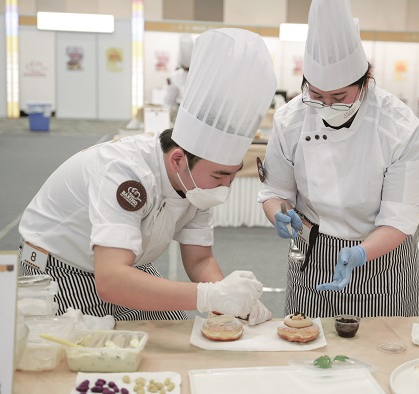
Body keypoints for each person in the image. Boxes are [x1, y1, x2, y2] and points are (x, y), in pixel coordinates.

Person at [18, 28, 277, 324]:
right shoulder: (126, 173)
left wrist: (230, 302)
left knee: (171, 334)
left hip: (129, 262)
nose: (225, 187)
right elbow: (112, 281)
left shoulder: (196, 185)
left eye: (232, 177)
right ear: (179, 159)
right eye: (219, 176)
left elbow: (200, 259)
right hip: (61, 265)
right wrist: (209, 296)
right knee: (96, 353)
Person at [258, 0, 419, 318]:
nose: (326, 105)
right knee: (306, 346)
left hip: (382, 258)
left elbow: (400, 217)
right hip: (313, 252)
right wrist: (279, 213)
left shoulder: (399, 126)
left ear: (365, 83)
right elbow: (275, 192)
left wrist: (361, 252)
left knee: (384, 352)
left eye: (339, 97)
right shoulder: (290, 120)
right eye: (317, 95)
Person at [164, 34, 193, 124]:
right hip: (181, 110)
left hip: (193, 112)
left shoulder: (199, 74)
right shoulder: (175, 76)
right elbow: (169, 99)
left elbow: (169, 99)